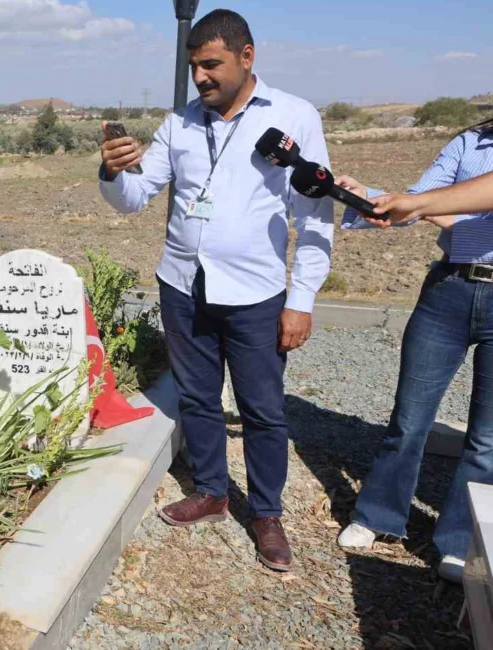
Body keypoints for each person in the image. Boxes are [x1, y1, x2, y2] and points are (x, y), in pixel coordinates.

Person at [98, 8, 333, 571]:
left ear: (246, 57)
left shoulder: (294, 117)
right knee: (198, 398)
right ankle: (210, 491)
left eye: (211, 65)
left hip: (255, 295)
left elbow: (317, 216)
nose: (200, 77)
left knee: (262, 408)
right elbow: (135, 199)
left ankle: (268, 513)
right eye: (194, 66)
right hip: (182, 285)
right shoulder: (179, 123)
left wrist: (300, 300)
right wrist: (112, 172)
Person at [333, 117, 493, 583]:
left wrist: (420, 205)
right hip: (449, 288)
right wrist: (372, 196)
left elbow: (433, 204)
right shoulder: (471, 142)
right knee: (409, 418)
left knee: (487, 438)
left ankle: (462, 540)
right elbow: (424, 200)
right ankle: (377, 514)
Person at [371, 168, 493, 224]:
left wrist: (454, 222)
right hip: (452, 272)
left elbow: (416, 203)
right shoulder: (469, 141)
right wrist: (360, 198)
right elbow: (415, 197)